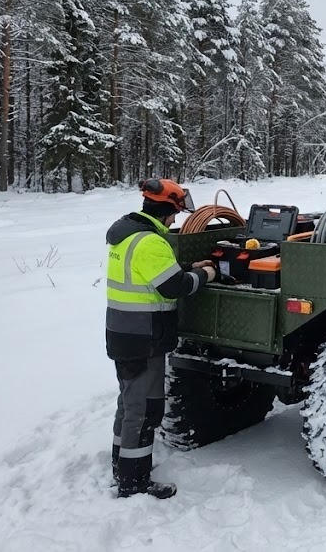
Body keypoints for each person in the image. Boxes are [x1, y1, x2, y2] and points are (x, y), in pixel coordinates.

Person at [105, 178, 217, 499]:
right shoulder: (151, 242)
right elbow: (174, 287)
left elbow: (153, 276)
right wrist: (206, 274)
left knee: (128, 405)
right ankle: (134, 482)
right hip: (144, 337)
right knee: (145, 411)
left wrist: (185, 267)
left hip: (123, 332)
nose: (176, 220)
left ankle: (122, 465)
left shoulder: (128, 235)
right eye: (176, 214)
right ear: (167, 210)